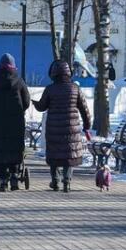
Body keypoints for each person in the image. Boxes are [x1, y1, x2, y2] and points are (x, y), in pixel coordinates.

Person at [33, 60, 91, 192]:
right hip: (71, 128)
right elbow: (84, 109)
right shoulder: (75, 88)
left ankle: (55, 181)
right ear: (68, 72)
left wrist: (34, 103)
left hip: (54, 128)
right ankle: (67, 180)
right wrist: (87, 125)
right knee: (69, 154)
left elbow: (42, 106)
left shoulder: (50, 89)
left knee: (54, 154)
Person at [0, 54, 31, 191]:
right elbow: (26, 102)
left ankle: (3, 178)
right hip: (15, 122)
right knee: (14, 147)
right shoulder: (19, 81)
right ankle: (15, 176)